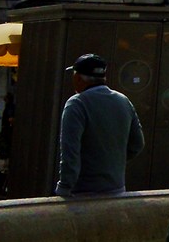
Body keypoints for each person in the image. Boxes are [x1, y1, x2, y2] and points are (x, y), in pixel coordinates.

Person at [56, 54, 143, 195]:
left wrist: (64, 187)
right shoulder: (124, 101)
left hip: (83, 192)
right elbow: (137, 144)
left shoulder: (77, 104)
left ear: (78, 78)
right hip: (117, 190)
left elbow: (70, 153)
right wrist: (112, 161)